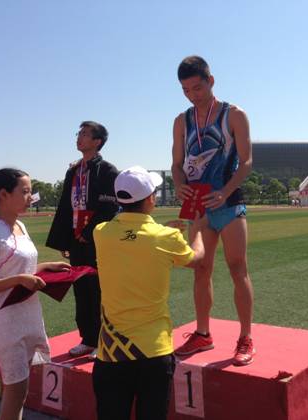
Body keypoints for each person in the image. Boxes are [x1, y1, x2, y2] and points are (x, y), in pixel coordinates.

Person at [92, 166, 205, 420]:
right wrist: (196, 230)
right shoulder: (166, 237)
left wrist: (163, 231)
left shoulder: (101, 233)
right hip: (154, 351)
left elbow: (131, 237)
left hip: (111, 353)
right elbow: (197, 259)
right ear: (151, 199)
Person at [171, 55, 255, 365]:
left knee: (237, 267)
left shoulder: (234, 115)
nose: (192, 95)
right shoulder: (182, 121)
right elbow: (176, 164)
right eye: (186, 90)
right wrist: (179, 184)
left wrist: (225, 192)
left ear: (211, 81)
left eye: (197, 87)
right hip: (198, 205)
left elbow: (246, 162)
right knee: (200, 269)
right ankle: (203, 334)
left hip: (228, 202)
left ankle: (245, 337)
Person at [0, 168, 70, 420]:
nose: (31, 197)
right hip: (4, 323)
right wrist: (19, 279)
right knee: (16, 392)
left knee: (19, 391)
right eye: (25, 191)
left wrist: (45, 267)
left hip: (28, 317)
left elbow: (18, 268)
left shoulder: (20, 225)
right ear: (3, 194)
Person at [46, 121, 119, 357]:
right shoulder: (73, 171)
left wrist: (90, 233)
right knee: (81, 288)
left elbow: (110, 207)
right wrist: (65, 239)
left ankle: (104, 341)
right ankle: (87, 338)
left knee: (99, 290)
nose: (79, 137)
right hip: (76, 238)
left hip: (98, 239)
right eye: (79, 133)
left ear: (97, 142)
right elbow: (65, 207)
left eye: (85, 134)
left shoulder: (107, 170)